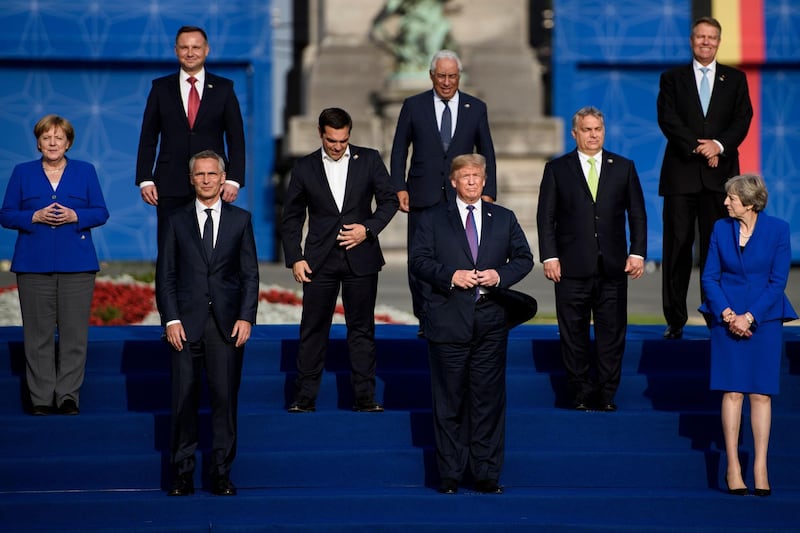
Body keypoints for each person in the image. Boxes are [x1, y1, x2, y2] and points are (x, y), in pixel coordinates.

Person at [410, 153, 535, 495]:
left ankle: (486, 473)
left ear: (484, 180)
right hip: (448, 320)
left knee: (487, 400)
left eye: (476, 176)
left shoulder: (503, 218)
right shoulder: (433, 218)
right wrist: (452, 275)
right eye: (464, 176)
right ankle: (450, 473)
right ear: (453, 181)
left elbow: (524, 258)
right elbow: (418, 261)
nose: (471, 182)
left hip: (490, 320)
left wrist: (499, 275)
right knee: (449, 401)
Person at [281, 107, 398, 413]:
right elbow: (292, 217)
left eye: (343, 140)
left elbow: (389, 200)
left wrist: (367, 229)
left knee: (361, 329)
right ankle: (304, 398)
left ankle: (364, 397)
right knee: (313, 328)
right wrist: (295, 257)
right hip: (318, 260)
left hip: (361, 258)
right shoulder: (305, 167)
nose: (337, 146)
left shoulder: (369, 159)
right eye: (332, 140)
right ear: (321, 134)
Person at [156, 149, 259, 497]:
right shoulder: (175, 220)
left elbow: (250, 275)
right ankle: (182, 474)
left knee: (224, 402)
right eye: (199, 175)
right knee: (183, 400)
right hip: (185, 325)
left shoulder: (241, 220)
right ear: (190, 179)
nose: (205, 180)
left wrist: (246, 317)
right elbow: (166, 275)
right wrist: (170, 319)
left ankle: (220, 473)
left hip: (227, 326)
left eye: (211, 174)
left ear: (222, 177)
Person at [537, 106, 647, 412]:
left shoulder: (623, 167)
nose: (593, 134)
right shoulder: (557, 169)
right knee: (573, 333)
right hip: (570, 266)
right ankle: (582, 393)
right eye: (586, 129)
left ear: (604, 131)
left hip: (612, 265)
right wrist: (549, 256)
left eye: (597, 128)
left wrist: (637, 252)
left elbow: (637, 214)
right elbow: (545, 218)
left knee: (612, 333)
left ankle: (607, 393)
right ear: (574, 133)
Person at [0, 114, 109, 416]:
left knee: (74, 335)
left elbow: (101, 212)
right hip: (33, 265)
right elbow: (6, 214)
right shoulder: (22, 173)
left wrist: (77, 216)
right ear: (38, 142)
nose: (52, 142)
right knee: (38, 336)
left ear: (68, 143)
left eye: (58, 137)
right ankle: (41, 398)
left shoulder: (85, 172)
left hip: (77, 265)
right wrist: (32, 216)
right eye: (46, 137)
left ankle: (68, 396)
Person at [699, 174, 796, 497]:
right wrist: (728, 314)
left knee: (760, 394)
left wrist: (750, 317)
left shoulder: (778, 230)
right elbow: (710, 277)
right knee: (733, 392)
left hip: (764, 319)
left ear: (751, 204)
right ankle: (733, 467)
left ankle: (760, 466)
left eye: (732, 198)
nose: (725, 202)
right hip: (725, 318)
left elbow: (777, 281)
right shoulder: (719, 229)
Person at [658, 16, 753, 339]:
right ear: (691, 40)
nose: (706, 42)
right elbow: (668, 119)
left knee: (719, 250)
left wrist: (719, 146)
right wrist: (699, 148)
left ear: (719, 41)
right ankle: (675, 320)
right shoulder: (672, 78)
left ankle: (717, 316)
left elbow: (743, 119)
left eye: (711, 37)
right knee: (677, 249)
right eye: (700, 37)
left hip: (721, 180)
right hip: (681, 177)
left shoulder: (735, 79)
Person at [390, 49, 497, 333]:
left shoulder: (475, 108)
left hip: (462, 198)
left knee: (459, 256)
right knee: (421, 258)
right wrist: (398, 186)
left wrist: (489, 192)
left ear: (459, 76)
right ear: (431, 76)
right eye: (441, 76)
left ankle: (458, 317)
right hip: (422, 195)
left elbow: (487, 151)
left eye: (452, 76)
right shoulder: (414, 106)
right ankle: (426, 318)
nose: (447, 82)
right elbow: (400, 148)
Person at [136, 25, 246, 241]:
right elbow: (148, 136)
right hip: (170, 182)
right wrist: (145, 178)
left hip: (212, 182)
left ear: (207, 50)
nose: (190, 52)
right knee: (170, 245)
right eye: (184, 47)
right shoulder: (160, 88)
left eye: (196, 47)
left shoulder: (224, 88)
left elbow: (236, 138)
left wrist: (234, 179)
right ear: (176, 50)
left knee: (209, 244)